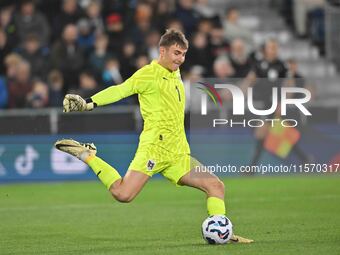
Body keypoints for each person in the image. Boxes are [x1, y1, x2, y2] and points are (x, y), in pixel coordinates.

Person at [54, 29, 253, 244]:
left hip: (177, 152)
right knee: (123, 194)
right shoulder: (147, 74)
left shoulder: (175, 71)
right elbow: (120, 90)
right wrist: (88, 103)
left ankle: (222, 230)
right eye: (176, 53)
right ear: (162, 51)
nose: (180, 59)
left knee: (216, 186)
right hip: (154, 148)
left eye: (183, 54)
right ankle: (88, 155)